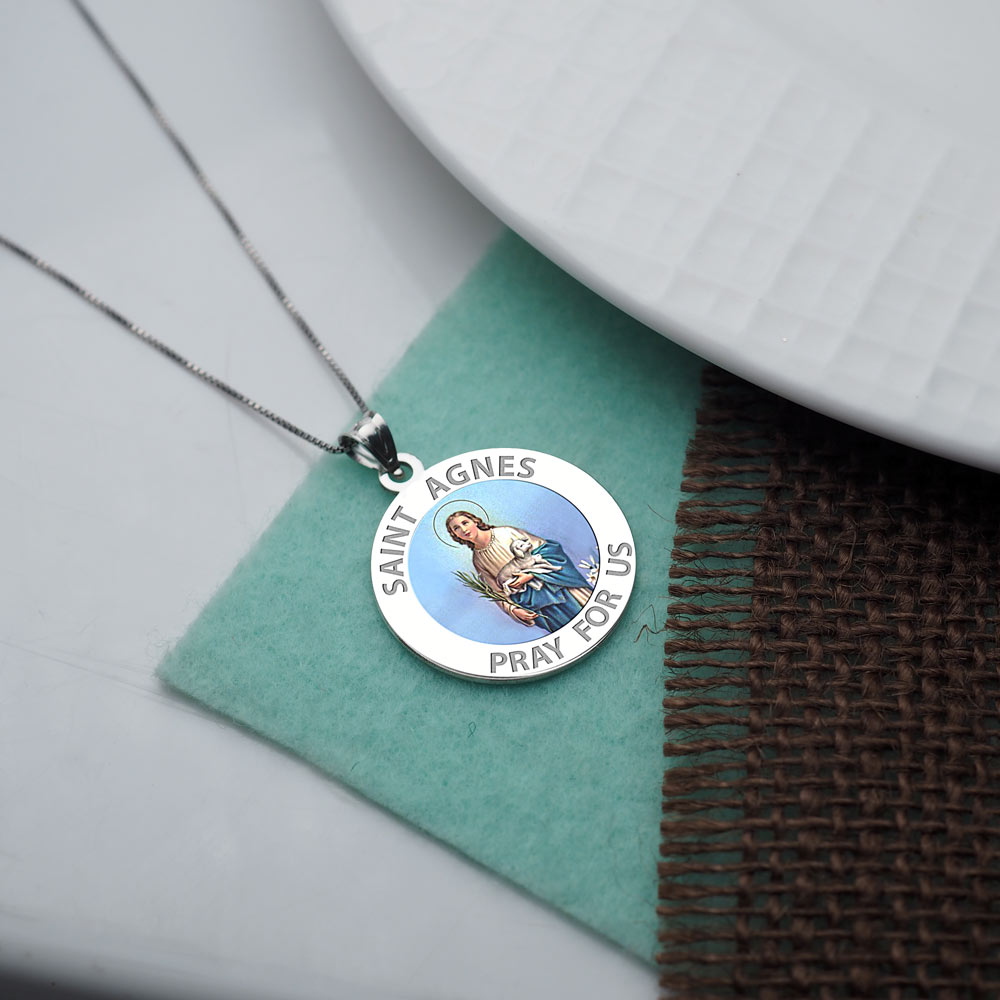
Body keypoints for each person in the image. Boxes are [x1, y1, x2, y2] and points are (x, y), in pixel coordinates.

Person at [445, 511, 592, 632]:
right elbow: (497, 593)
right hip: (538, 604)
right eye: (456, 528)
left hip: (557, 586)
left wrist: (531, 575)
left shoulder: (506, 533)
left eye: (465, 523)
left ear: (475, 521)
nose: (463, 529)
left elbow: (548, 551)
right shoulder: (479, 561)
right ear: (455, 535)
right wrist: (514, 610)